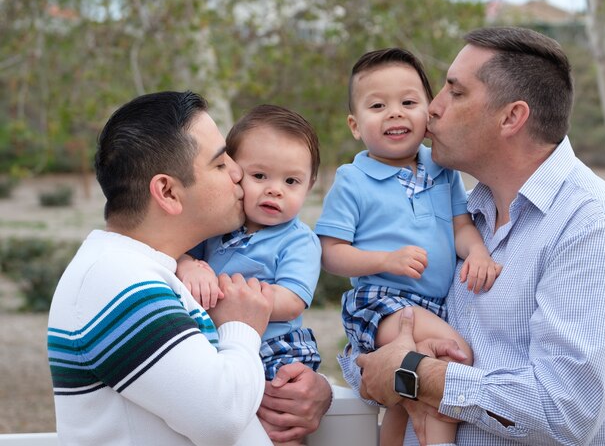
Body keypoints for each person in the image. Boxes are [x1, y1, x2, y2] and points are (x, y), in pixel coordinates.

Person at [345, 28, 605, 445]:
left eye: (455, 93)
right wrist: (365, 372)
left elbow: (565, 410)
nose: (433, 109)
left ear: (512, 117)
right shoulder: (463, 218)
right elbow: (385, 345)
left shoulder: (595, 230)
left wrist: (417, 374)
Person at [47, 91, 331, 446]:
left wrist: (315, 390)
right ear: (167, 192)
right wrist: (242, 326)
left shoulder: (148, 270)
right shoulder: (113, 279)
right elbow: (221, 416)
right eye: (219, 163)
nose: (236, 171)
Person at [316, 48, 501, 446]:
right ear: (354, 124)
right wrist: (385, 259)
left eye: (408, 102)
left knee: (403, 400)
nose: (395, 113)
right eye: (378, 105)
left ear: (428, 114)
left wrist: (479, 253)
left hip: (433, 305)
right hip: (381, 300)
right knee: (456, 356)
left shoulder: (442, 169)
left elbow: (461, 225)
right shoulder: (353, 180)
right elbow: (330, 251)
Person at [176, 104, 322, 443]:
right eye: (260, 176)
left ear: (310, 184)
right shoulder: (216, 230)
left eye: (291, 181)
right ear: (233, 172)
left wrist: (231, 296)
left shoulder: (299, 240)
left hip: (276, 346)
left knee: (280, 422)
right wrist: (188, 265)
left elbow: (292, 300)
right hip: (220, 345)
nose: (275, 189)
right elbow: (179, 254)